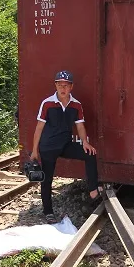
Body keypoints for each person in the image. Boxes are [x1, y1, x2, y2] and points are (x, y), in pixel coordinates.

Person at [30, 70, 100, 223]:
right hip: (48, 146)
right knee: (47, 179)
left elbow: (80, 126)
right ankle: (48, 211)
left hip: (65, 144)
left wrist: (85, 142)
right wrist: (35, 150)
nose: (63, 88)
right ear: (55, 85)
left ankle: (93, 191)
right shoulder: (47, 103)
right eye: (60, 85)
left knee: (90, 154)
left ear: (71, 87)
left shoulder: (76, 105)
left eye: (66, 85)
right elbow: (39, 128)